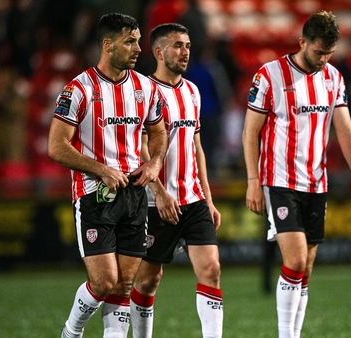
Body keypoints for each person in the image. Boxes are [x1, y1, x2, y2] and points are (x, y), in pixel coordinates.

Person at [242, 11, 351, 338]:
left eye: (329, 53)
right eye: (318, 52)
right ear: (302, 43)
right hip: (279, 180)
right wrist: (253, 182)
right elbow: (249, 132)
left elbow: (345, 128)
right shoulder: (269, 75)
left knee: (305, 267)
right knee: (295, 261)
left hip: (316, 181)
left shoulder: (333, 79)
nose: (324, 59)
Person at [48, 13, 167, 338]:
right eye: (130, 41)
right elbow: (56, 146)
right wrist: (100, 169)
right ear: (107, 44)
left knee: (124, 285)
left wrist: (154, 164)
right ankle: (71, 332)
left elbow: (159, 133)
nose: (138, 48)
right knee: (104, 282)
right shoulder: (79, 89)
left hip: (133, 195)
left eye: (139, 41)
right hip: (94, 195)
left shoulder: (145, 87)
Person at [130, 23, 223, 338]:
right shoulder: (142, 92)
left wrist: (208, 199)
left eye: (187, 45)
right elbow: (139, 149)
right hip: (156, 204)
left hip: (193, 199)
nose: (185, 52)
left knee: (211, 271)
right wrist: (160, 192)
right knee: (147, 280)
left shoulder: (192, 91)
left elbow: (196, 149)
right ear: (158, 51)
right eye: (177, 46)